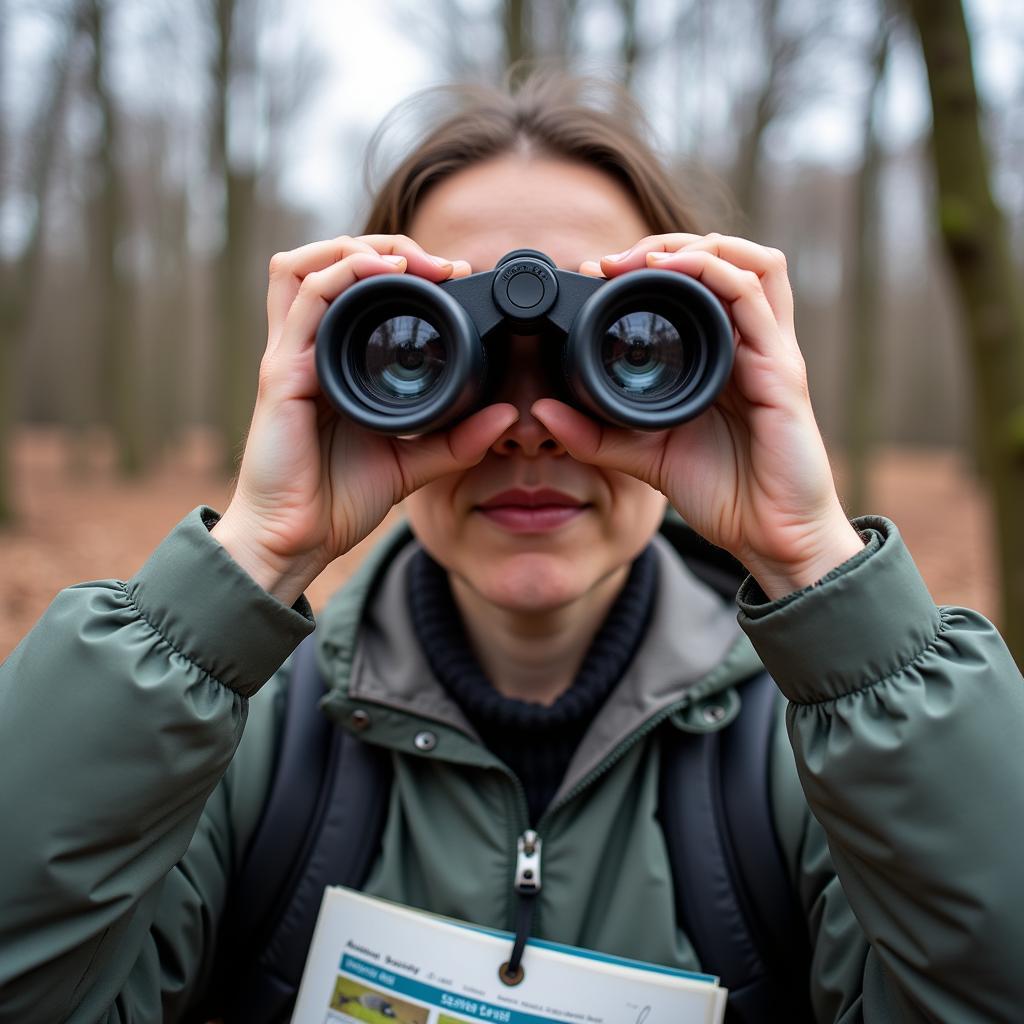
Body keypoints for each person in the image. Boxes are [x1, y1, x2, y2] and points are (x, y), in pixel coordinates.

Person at [1, 70, 1022, 1024]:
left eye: (622, 347)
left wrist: (814, 566)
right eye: (435, 348)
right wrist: (251, 561)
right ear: (346, 360)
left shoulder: (815, 766)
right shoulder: (233, 750)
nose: (529, 424)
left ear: (708, 359)